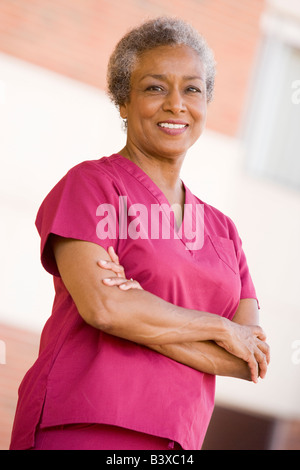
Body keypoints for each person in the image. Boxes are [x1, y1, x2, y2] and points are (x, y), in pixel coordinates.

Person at [10, 17, 270, 450]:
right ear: (123, 102)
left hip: (176, 442)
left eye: (192, 88)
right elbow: (106, 308)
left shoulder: (223, 231)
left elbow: (250, 360)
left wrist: (140, 312)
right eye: (154, 87)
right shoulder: (93, 186)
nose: (176, 104)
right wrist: (219, 328)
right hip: (83, 426)